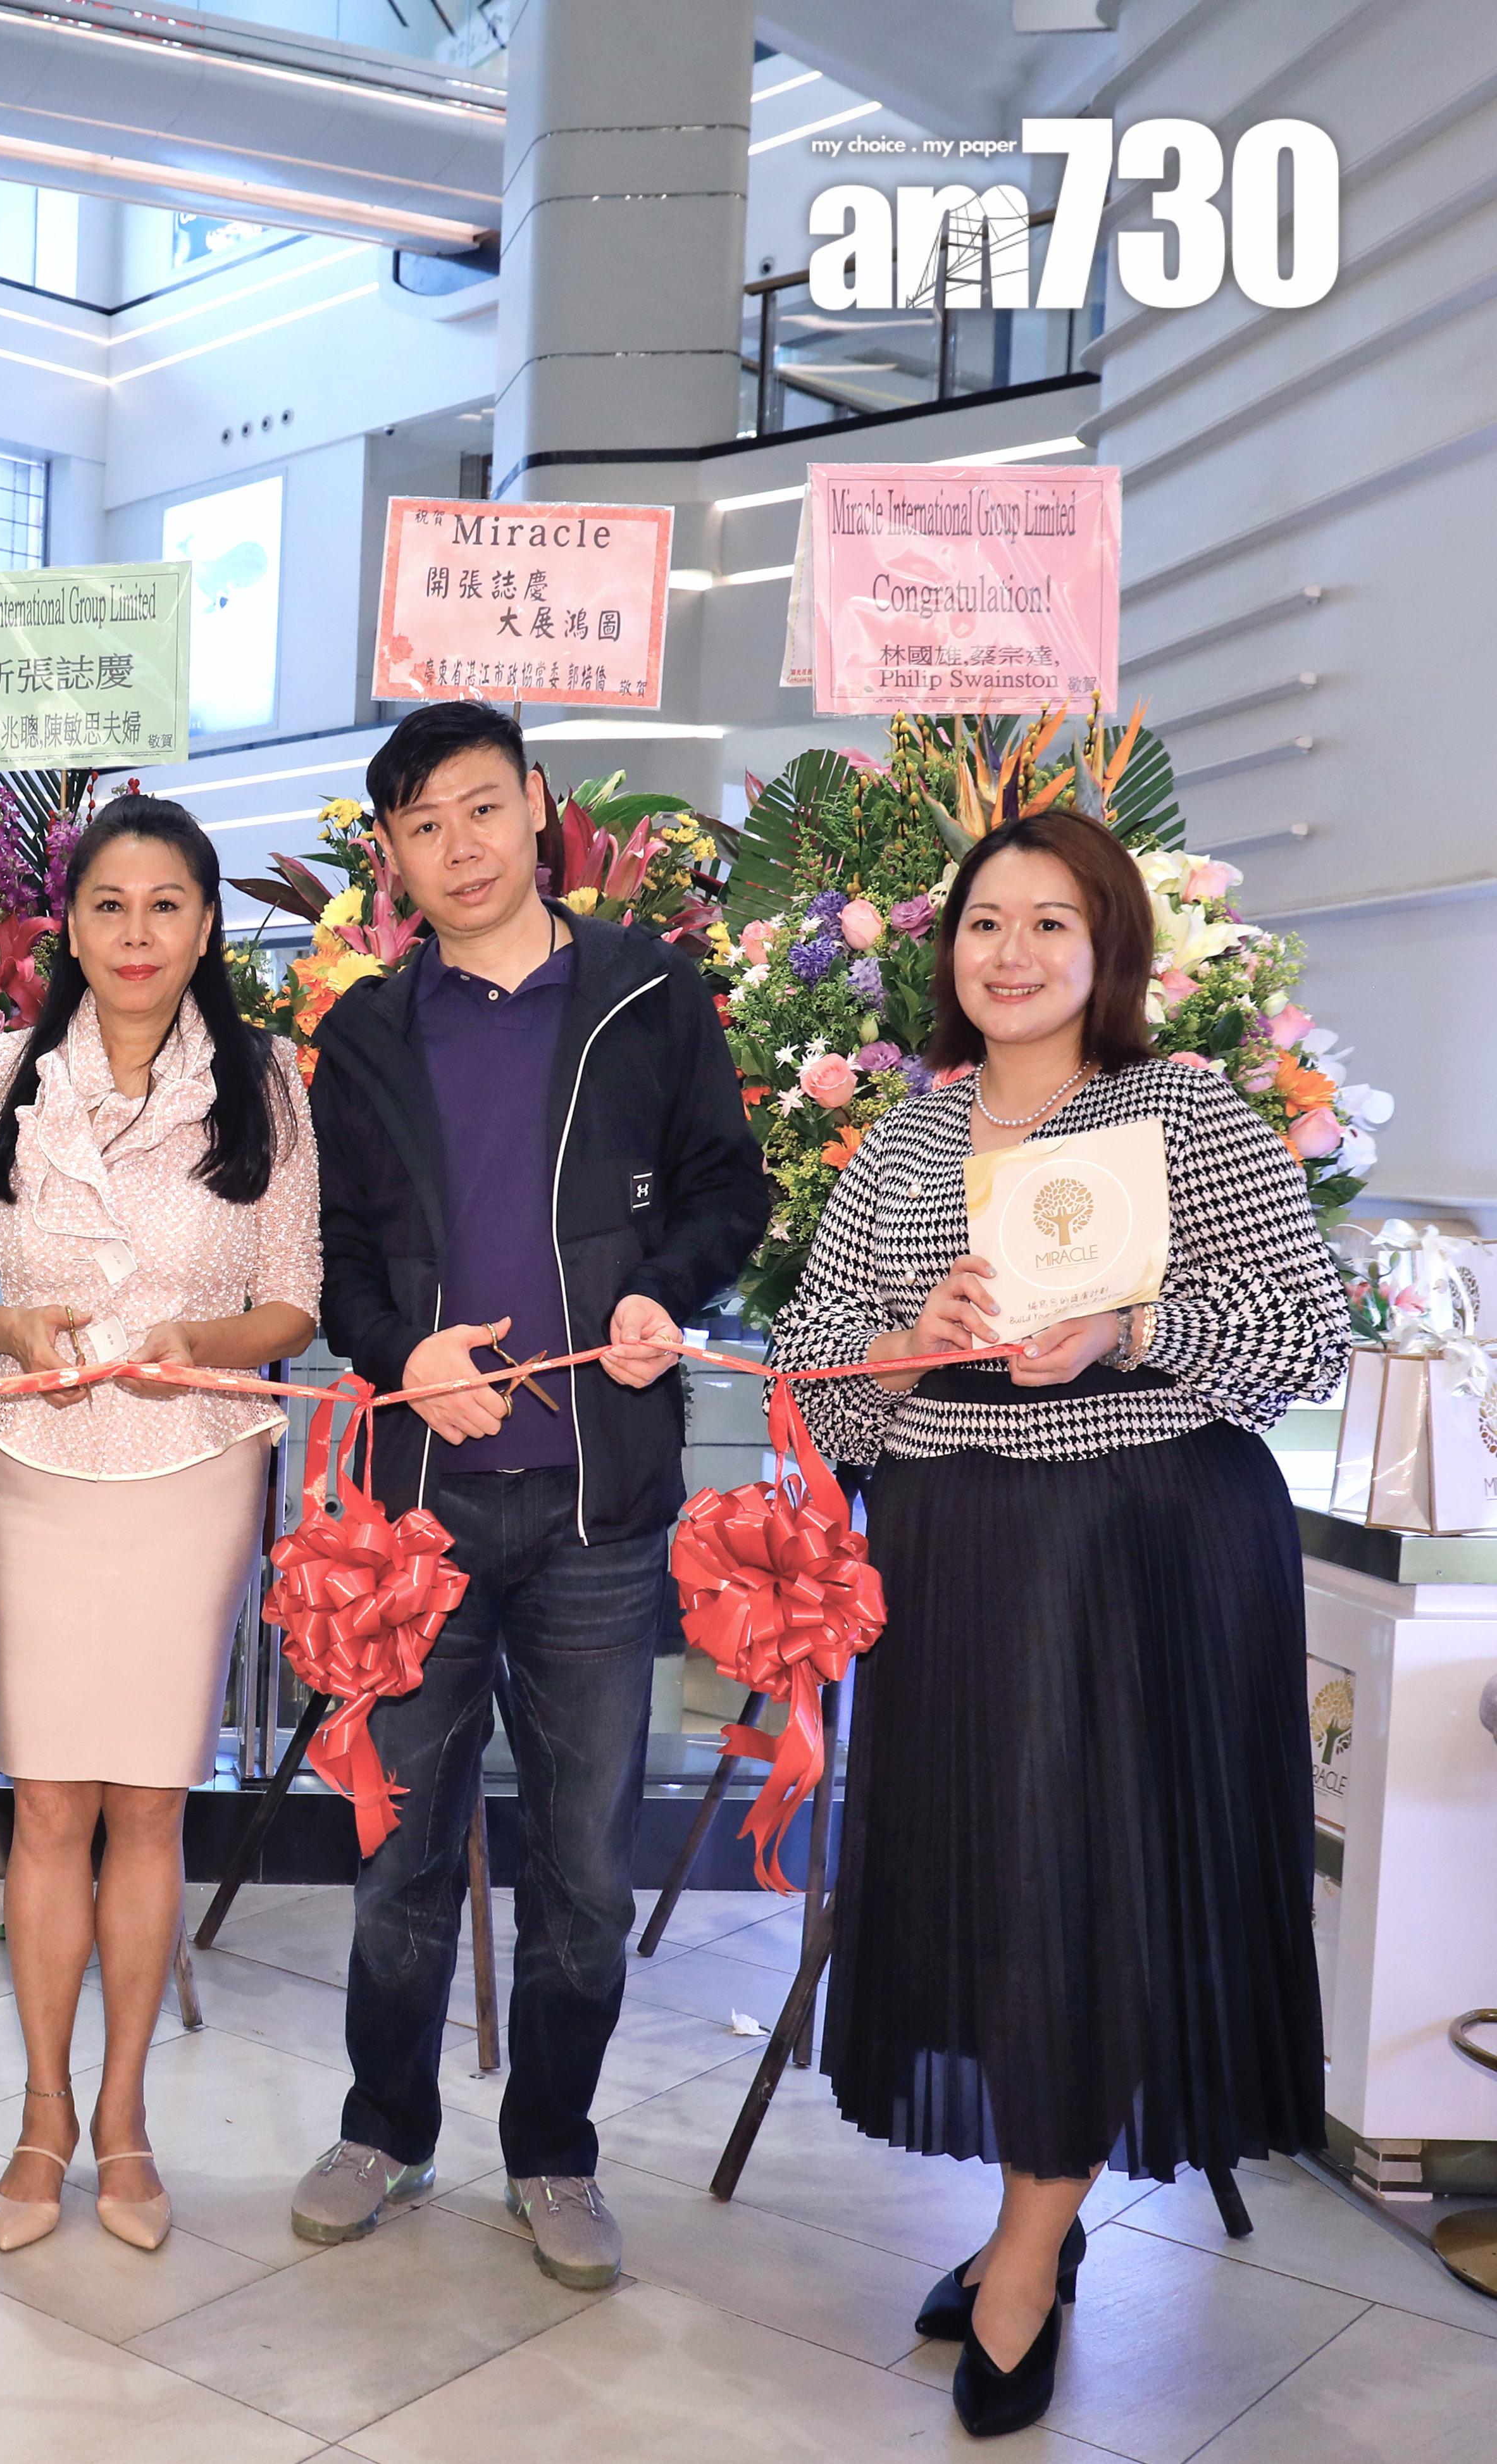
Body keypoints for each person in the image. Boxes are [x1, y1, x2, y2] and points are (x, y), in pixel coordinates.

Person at [770, 808, 1345, 2439]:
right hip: (954, 1557)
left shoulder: (1182, 1111)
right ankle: (1041, 2204)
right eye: (982, 923)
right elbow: (810, 1371)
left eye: (1046, 924)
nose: (1008, 954)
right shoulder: (904, 1139)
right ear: (945, 953)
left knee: (1090, 1892)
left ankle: (1024, 2256)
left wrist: (1126, 1324)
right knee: (993, 1894)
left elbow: (1302, 1336)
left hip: (1141, 1550)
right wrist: (906, 1336)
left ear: (1107, 952)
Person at [290, 699, 765, 2290]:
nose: (460, 846)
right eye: (422, 826)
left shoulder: (642, 992)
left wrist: (661, 1294)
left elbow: (727, 1189)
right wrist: (398, 1354)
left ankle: (552, 2149)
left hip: (596, 1511)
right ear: (391, 857)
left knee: (583, 1866)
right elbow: (338, 1262)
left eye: (480, 808)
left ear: (537, 805)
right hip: (417, 1516)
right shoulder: (364, 1034)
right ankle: (383, 2125)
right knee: (397, 1850)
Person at [0, 795, 322, 2254]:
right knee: (47, 1801)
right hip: (39, 1461)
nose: (136, 932)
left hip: (193, 1464)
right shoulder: (3, 1074)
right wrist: (10, 1328)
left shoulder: (264, 1085)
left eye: (164, 905)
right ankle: (41, 2120)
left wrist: (192, 1341)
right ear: (71, 928)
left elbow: (294, 1301)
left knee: (147, 1801)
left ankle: (124, 2120)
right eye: (108, 904)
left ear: (204, 927)